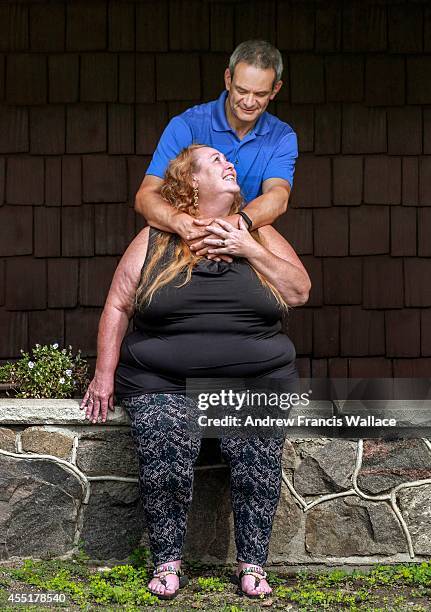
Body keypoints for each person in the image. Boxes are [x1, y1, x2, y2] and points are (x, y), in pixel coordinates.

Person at [80, 145, 310, 600]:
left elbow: (299, 291)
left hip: (253, 379)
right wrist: (103, 375)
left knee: (255, 445)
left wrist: (247, 246)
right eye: (215, 161)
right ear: (191, 184)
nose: (229, 164)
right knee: (165, 436)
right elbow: (119, 304)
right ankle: (166, 562)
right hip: (163, 380)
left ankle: (253, 564)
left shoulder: (261, 233)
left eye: (229, 160)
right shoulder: (156, 238)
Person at [134, 40, 298, 261]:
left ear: (275, 89)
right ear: (228, 80)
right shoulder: (186, 125)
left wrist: (235, 222)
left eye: (260, 94)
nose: (249, 102)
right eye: (242, 91)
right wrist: (180, 222)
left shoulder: (282, 137)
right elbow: (145, 196)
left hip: (243, 242)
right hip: (182, 243)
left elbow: (278, 196)